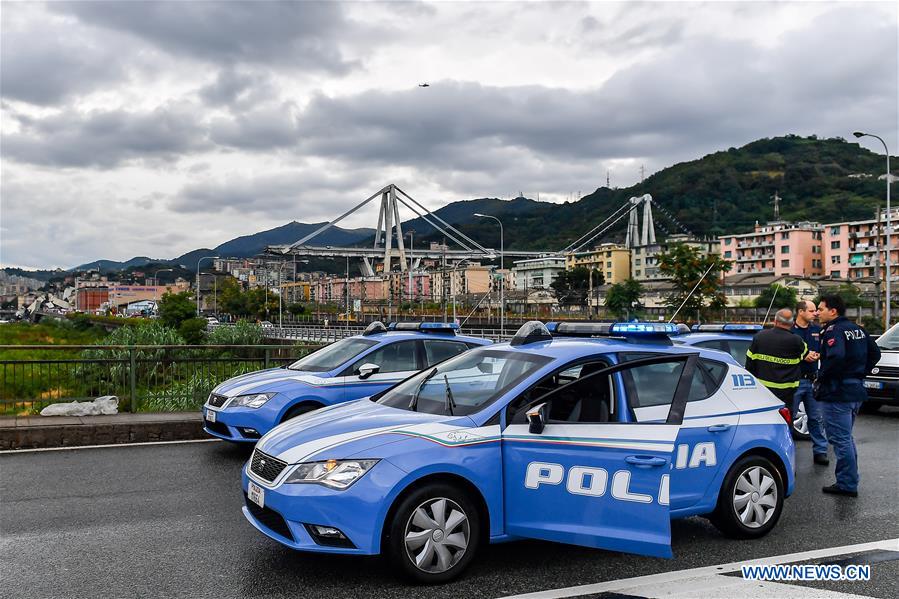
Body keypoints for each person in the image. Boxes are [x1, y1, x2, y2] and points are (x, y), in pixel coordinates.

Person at [815, 295, 881, 497]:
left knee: (841, 440)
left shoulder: (834, 330)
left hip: (838, 393)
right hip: (854, 390)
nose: (817, 312)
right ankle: (848, 480)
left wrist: (821, 378)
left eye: (820, 309)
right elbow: (875, 353)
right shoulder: (857, 329)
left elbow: (836, 358)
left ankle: (847, 484)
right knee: (846, 439)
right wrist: (859, 372)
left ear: (832, 311)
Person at [791, 300, 828, 465]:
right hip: (794, 381)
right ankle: (788, 452)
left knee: (815, 418)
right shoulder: (790, 331)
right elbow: (784, 353)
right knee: (789, 418)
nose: (816, 314)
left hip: (812, 380)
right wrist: (802, 356)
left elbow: (824, 348)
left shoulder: (817, 330)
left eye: (816, 311)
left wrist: (818, 355)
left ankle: (820, 451)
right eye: (812, 311)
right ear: (800, 312)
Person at [745, 308, 807, 405]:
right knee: (785, 418)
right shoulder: (797, 340)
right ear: (792, 323)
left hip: (763, 390)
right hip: (787, 393)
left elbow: (749, 364)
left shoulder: (759, 337)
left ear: (775, 321)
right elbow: (805, 354)